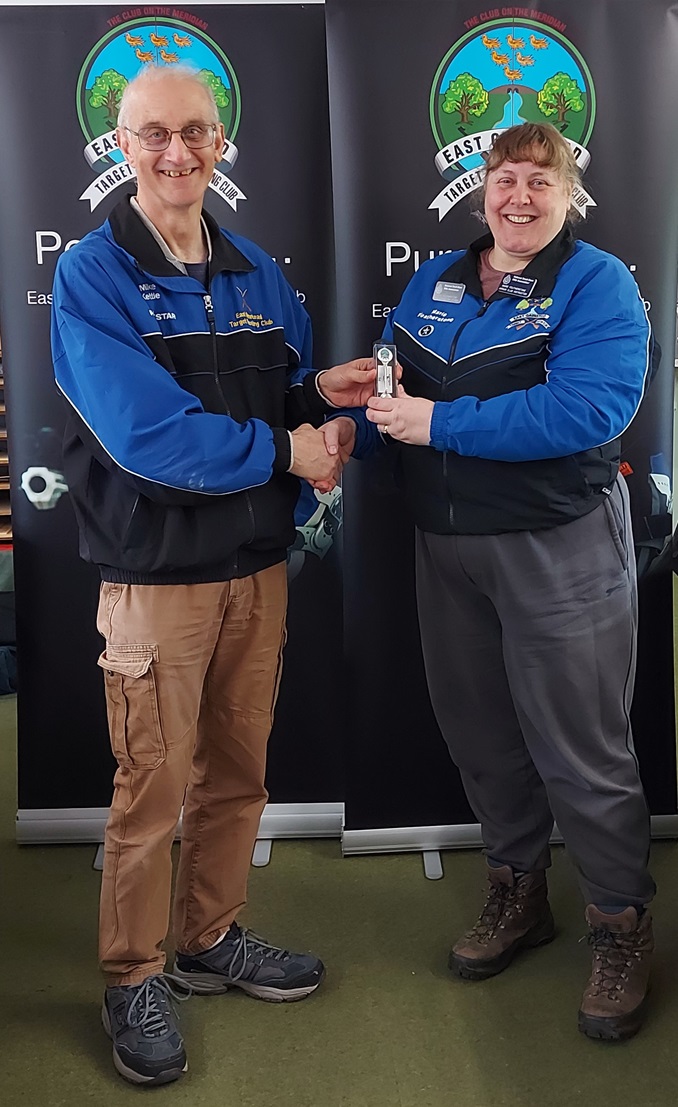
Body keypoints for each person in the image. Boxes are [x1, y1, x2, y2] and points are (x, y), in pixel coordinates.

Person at [50, 64, 372, 1086]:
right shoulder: (93, 274)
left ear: (221, 141)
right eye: (154, 134)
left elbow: (279, 391)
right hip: (157, 578)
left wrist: (318, 397)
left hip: (256, 568)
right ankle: (133, 974)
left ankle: (209, 938)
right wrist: (290, 451)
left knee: (237, 774)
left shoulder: (256, 272)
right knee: (150, 789)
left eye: (194, 131)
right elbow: (148, 438)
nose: (176, 152)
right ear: (123, 146)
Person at [365, 123, 655, 1041]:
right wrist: (350, 423)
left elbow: (588, 407)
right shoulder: (438, 280)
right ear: (482, 189)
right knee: (482, 735)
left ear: (569, 195)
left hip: (558, 543)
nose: (519, 197)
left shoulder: (596, 282)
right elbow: (392, 388)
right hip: (447, 546)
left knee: (583, 748)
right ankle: (518, 891)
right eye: (505, 179)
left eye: (540, 181)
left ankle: (620, 922)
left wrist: (437, 425)